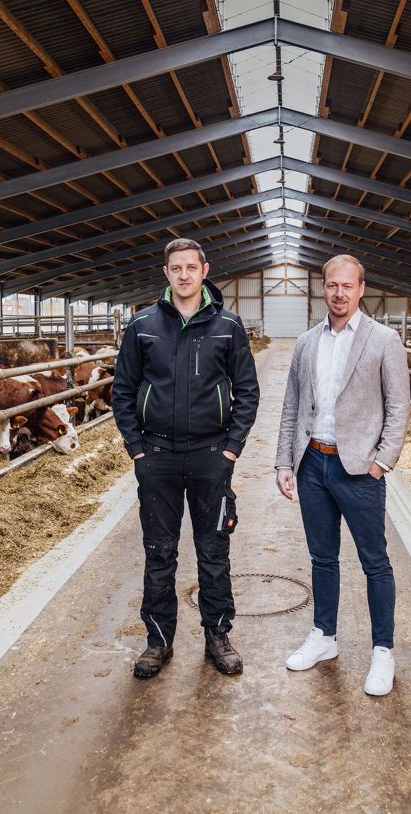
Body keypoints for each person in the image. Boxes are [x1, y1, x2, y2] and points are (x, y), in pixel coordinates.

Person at [112, 238, 260, 679]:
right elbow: (122, 391)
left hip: (211, 455)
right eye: (175, 268)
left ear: (204, 270)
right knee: (159, 551)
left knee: (213, 550)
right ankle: (158, 640)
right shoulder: (142, 325)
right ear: (166, 273)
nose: (183, 275)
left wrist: (231, 448)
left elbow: (247, 392)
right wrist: (136, 448)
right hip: (156, 454)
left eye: (191, 267)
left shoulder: (229, 326)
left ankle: (218, 635)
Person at [274, 254, 410, 696]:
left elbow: (398, 408)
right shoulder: (306, 342)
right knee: (322, 557)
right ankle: (324, 637)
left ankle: (382, 652)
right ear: (323, 287)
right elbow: (292, 405)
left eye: (347, 286)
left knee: (375, 562)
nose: (339, 293)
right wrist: (284, 461)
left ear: (361, 289)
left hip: (359, 469)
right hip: (314, 462)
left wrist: (382, 462)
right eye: (332, 285)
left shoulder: (384, 340)